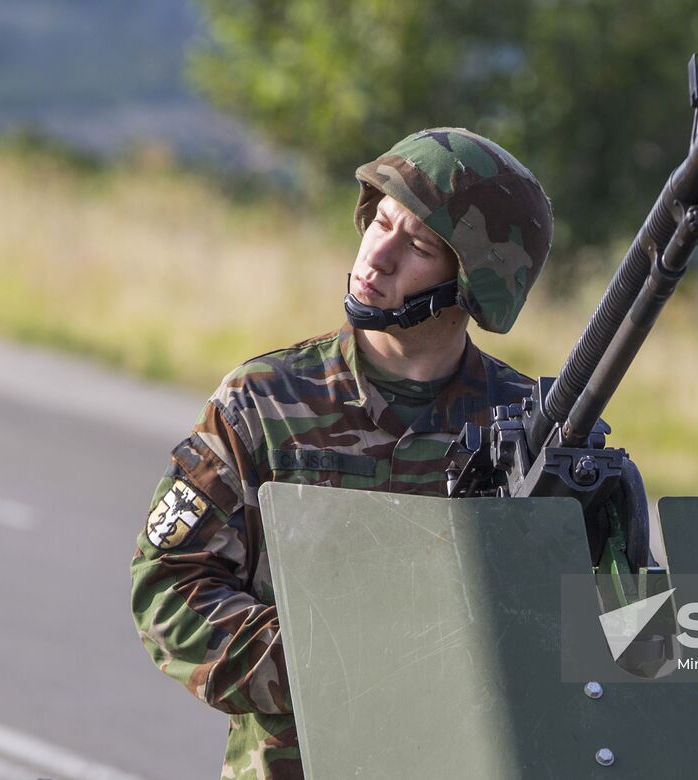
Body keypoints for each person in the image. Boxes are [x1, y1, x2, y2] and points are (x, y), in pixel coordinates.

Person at [130, 128, 553, 779]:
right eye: (380, 222)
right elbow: (170, 586)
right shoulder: (265, 401)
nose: (376, 257)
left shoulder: (533, 432)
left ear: (473, 285)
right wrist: (335, 666)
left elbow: (625, 643)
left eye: (417, 246)